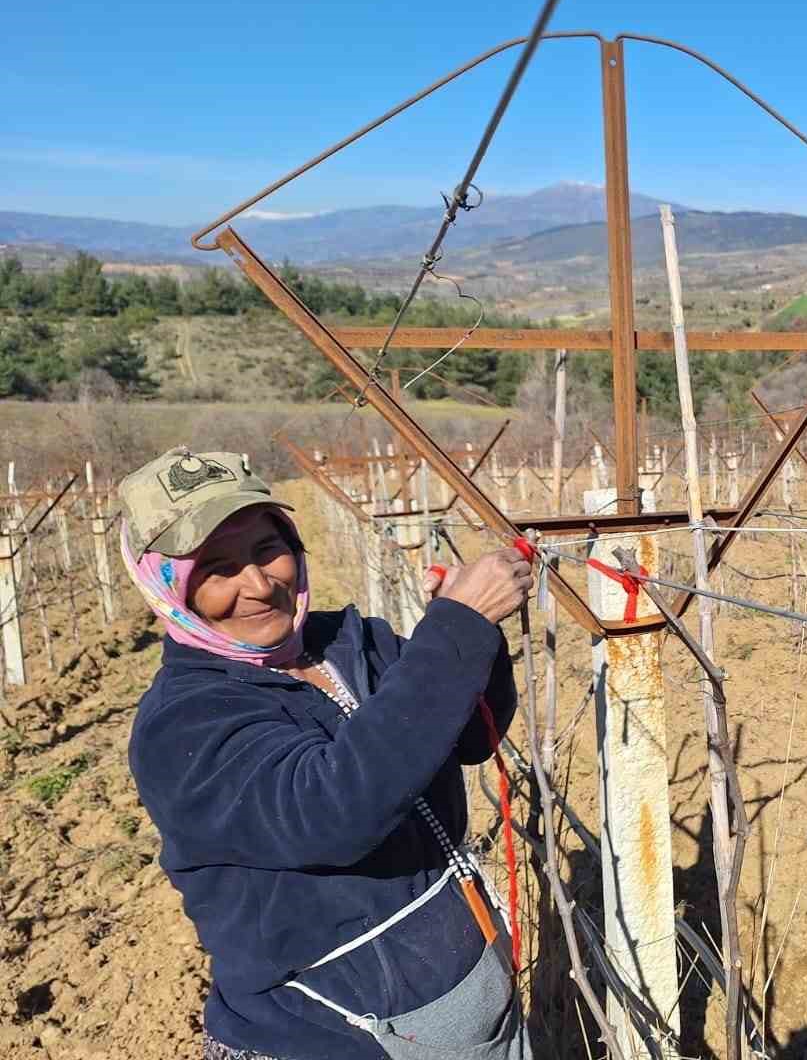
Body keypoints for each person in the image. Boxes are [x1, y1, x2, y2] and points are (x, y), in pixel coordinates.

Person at [118, 447, 534, 1060]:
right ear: (166, 585)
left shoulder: (348, 640)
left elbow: (471, 739)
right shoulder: (184, 723)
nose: (258, 586)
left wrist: (475, 638)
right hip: (328, 1036)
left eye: (267, 550)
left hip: (467, 1007)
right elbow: (334, 809)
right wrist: (455, 629)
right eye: (218, 568)